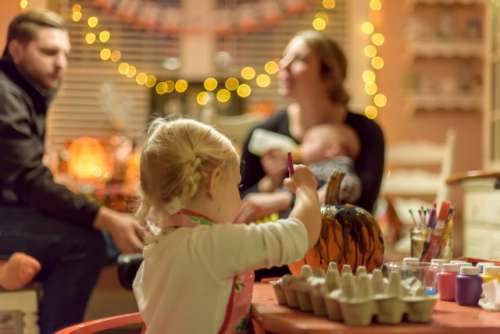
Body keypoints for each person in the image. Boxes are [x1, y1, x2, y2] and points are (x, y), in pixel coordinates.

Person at [0, 10, 144, 333]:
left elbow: (22, 173)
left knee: (103, 241)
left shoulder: (23, 92)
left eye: (65, 53)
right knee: (86, 243)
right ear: (17, 50)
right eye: (49, 52)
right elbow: (30, 183)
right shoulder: (4, 96)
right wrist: (107, 216)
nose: (61, 63)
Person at [133, 118, 321, 334]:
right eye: (236, 185)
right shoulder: (214, 245)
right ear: (215, 181)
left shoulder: (160, 242)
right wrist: (307, 190)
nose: (240, 195)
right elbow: (301, 233)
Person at [238, 30, 385, 279]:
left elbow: (360, 207)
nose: (283, 65)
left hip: (338, 263)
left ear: (329, 75)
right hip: (269, 255)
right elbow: (240, 202)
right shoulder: (262, 132)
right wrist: (268, 183)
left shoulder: (365, 133)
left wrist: (282, 200)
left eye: (299, 59)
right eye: (284, 57)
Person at [257, 123, 362, 204]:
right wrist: (274, 178)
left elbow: (349, 183)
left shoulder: (334, 165)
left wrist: (314, 200)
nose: (302, 146)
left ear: (331, 149)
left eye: (309, 142)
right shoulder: (312, 166)